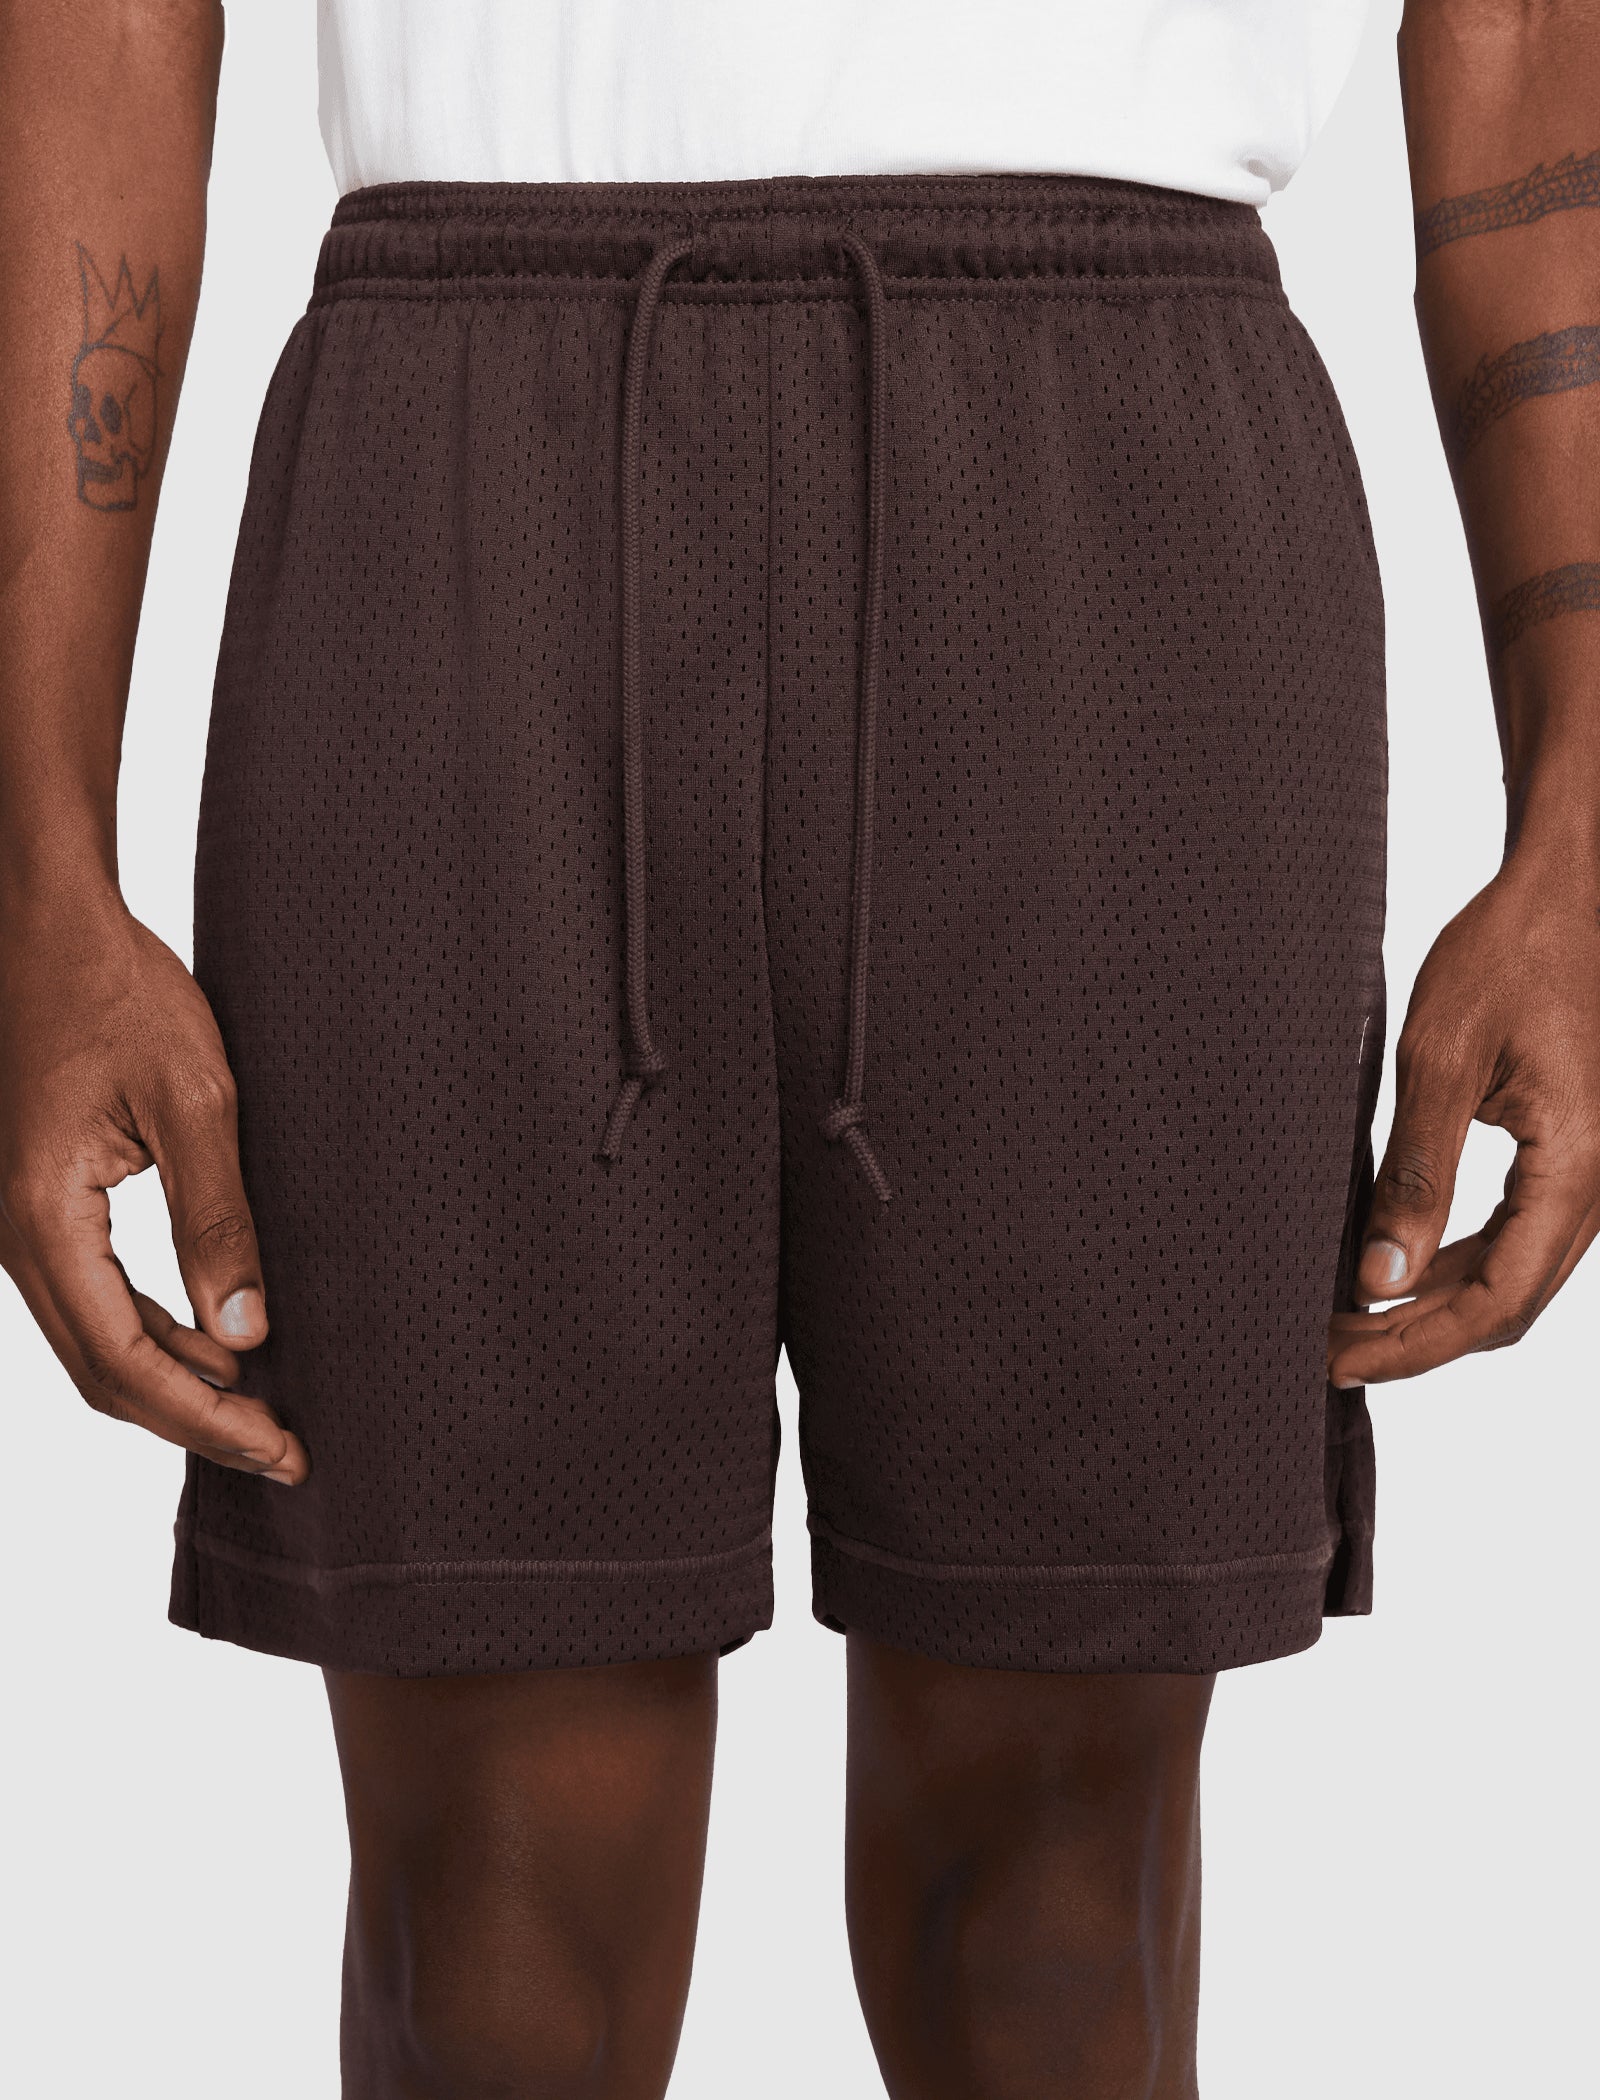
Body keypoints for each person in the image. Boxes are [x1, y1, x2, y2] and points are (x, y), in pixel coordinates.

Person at [3, 2, 1597, 2094]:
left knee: (1056, 1910)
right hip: (461, 467)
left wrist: (1581, 826)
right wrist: (38, 877)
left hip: (1116, 491)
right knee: (488, 1923)